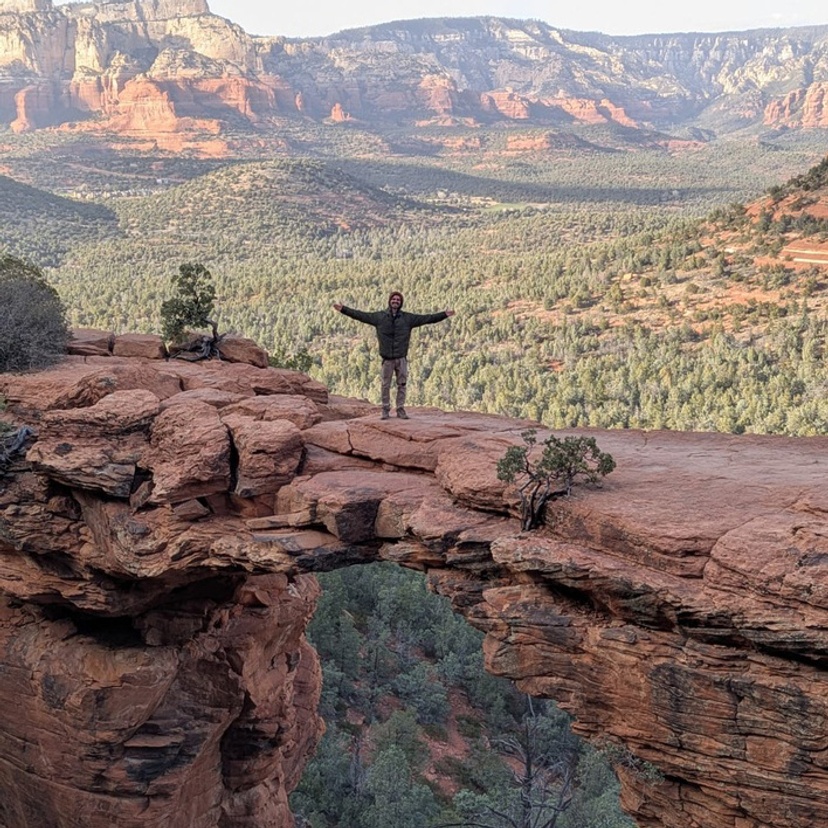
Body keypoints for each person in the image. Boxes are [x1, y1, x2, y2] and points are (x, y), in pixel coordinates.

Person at [334, 291, 455, 419]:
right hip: (387, 359)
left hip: (401, 358)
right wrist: (344, 309)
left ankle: (400, 410)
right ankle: (385, 410)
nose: (395, 301)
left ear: (401, 303)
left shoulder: (408, 319)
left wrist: (444, 315)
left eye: (398, 300)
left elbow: (427, 318)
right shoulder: (379, 317)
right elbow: (360, 315)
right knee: (385, 385)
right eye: (394, 299)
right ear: (389, 301)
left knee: (402, 385)